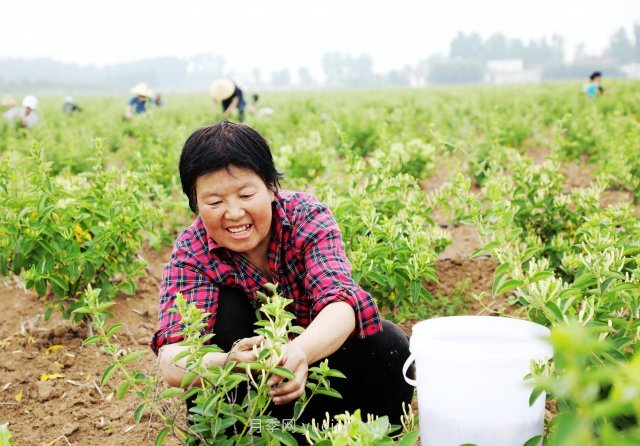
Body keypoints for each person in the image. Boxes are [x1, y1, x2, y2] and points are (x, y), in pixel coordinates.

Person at [151, 121, 414, 427]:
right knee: (227, 312)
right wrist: (230, 363)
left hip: (318, 381)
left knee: (388, 343)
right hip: (248, 405)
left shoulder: (305, 216)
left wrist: (298, 351)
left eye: (246, 195)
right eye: (215, 202)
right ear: (195, 203)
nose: (234, 213)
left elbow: (341, 303)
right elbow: (171, 360)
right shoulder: (193, 250)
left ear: (271, 187)